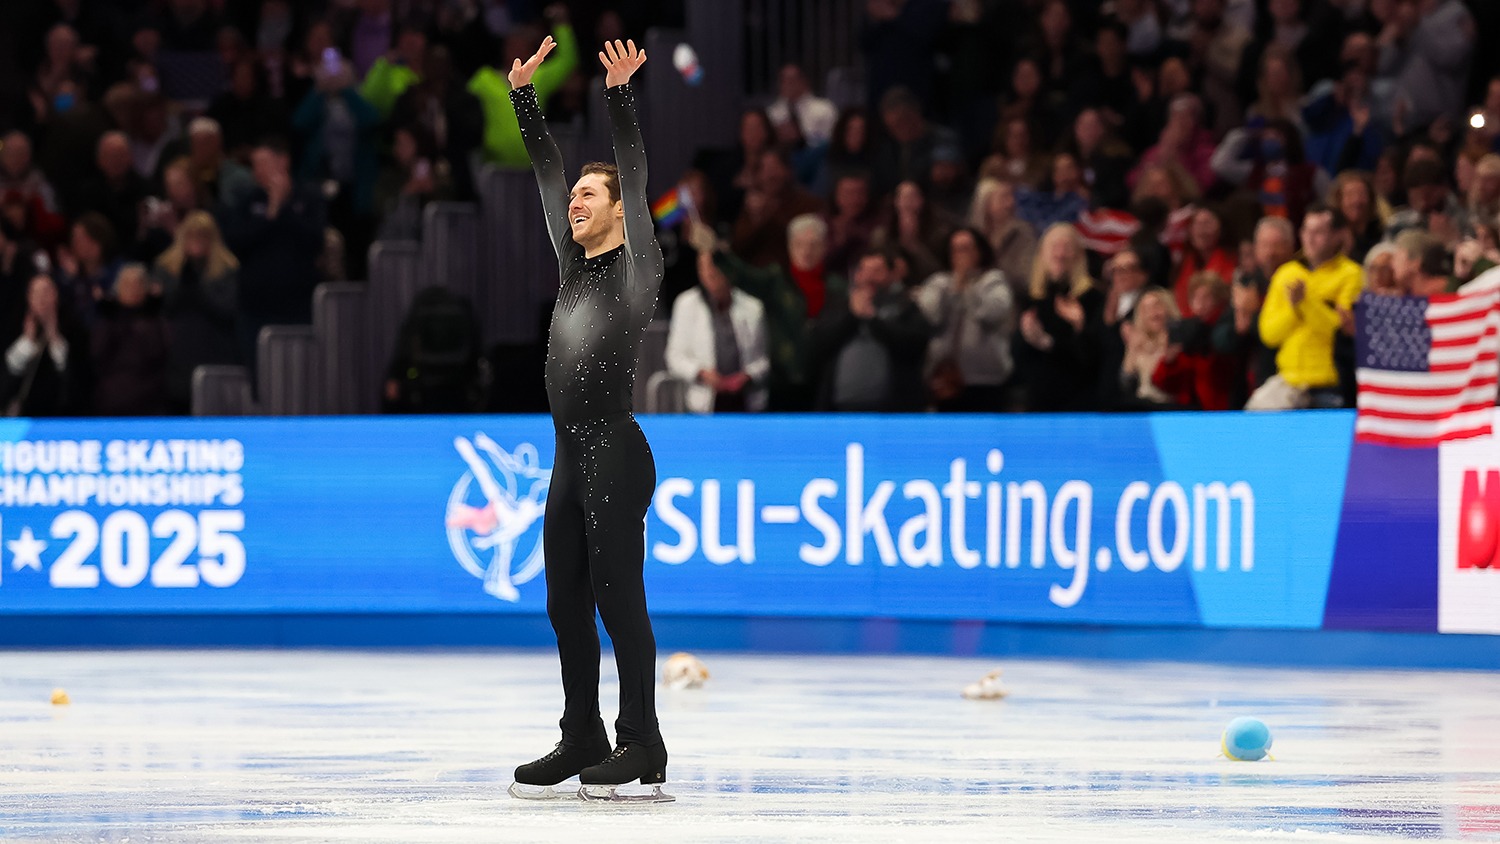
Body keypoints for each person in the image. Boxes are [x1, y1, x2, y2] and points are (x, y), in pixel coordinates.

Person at [507, 37, 668, 798]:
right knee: (563, 598)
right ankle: (582, 734)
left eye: (588, 196)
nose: (574, 200)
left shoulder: (638, 265)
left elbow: (633, 175)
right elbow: (544, 171)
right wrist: (522, 98)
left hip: (616, 449)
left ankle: (642, 739)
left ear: (617, 214)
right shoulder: (572, 265)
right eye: (575, 195)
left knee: (615, 592)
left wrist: (618, 96)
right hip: (568, 453)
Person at [1248, 203, 1364, 410]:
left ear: (1338, 236)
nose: (1310, 238)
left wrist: (1304, 303)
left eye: (1319, 232)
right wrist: (1294, 309)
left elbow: (1338, 331)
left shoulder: (1351, 274)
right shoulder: (1286, 273)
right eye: (1306, 230)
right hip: (1288, 380)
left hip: (1329, 382)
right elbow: (1269, 334)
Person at [664, 249, 770, 413]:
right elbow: (675, 357)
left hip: (746, 403)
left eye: (714, 267)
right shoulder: (686, 304)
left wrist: (747, 376)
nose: (709, 273)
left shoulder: (753, 307)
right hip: (703, 405)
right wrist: (702, 373)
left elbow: (763, 361)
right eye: (703, 267)